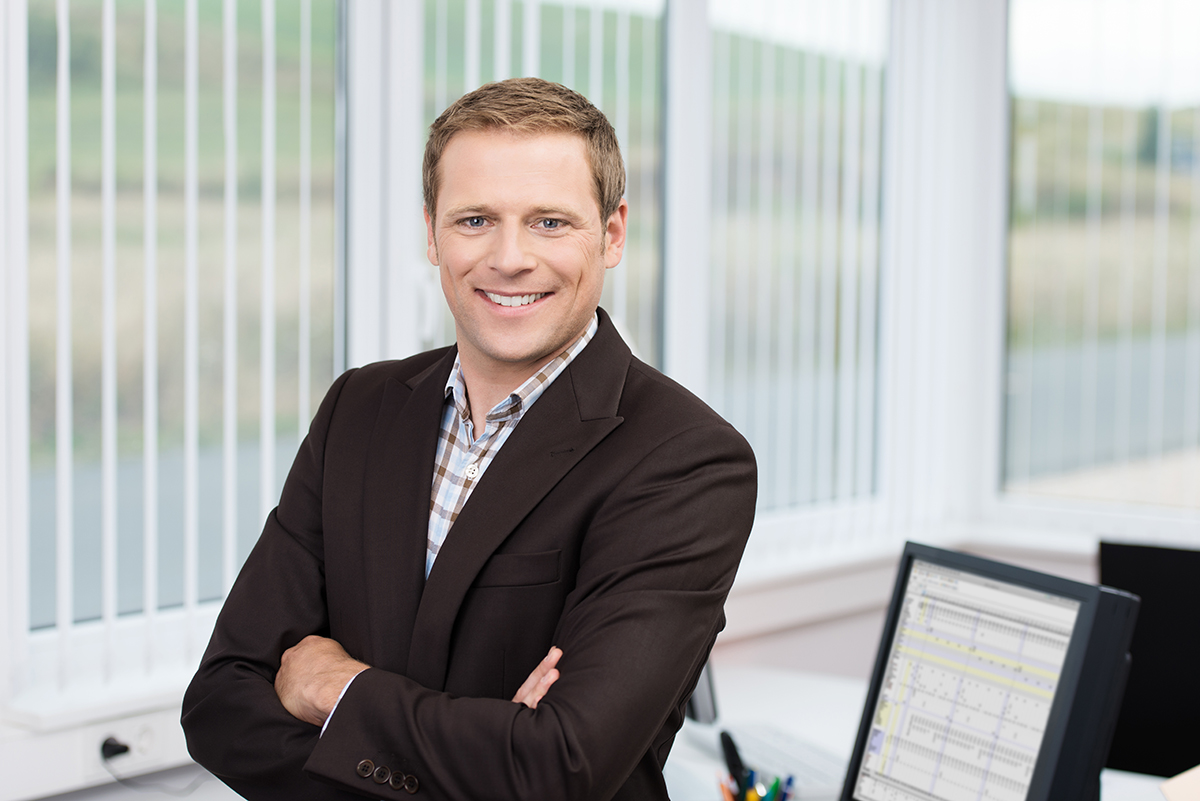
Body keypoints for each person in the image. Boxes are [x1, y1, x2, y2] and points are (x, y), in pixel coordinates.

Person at [181, 77, 756, 800]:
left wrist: (341, 690)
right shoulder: (358, 408)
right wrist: (487, 747)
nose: (510, 258)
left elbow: (559, 767)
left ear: (611, 234)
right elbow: (220, 703)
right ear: (431, 232)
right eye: (475, 219)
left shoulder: (687, 460)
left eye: (550, 222)